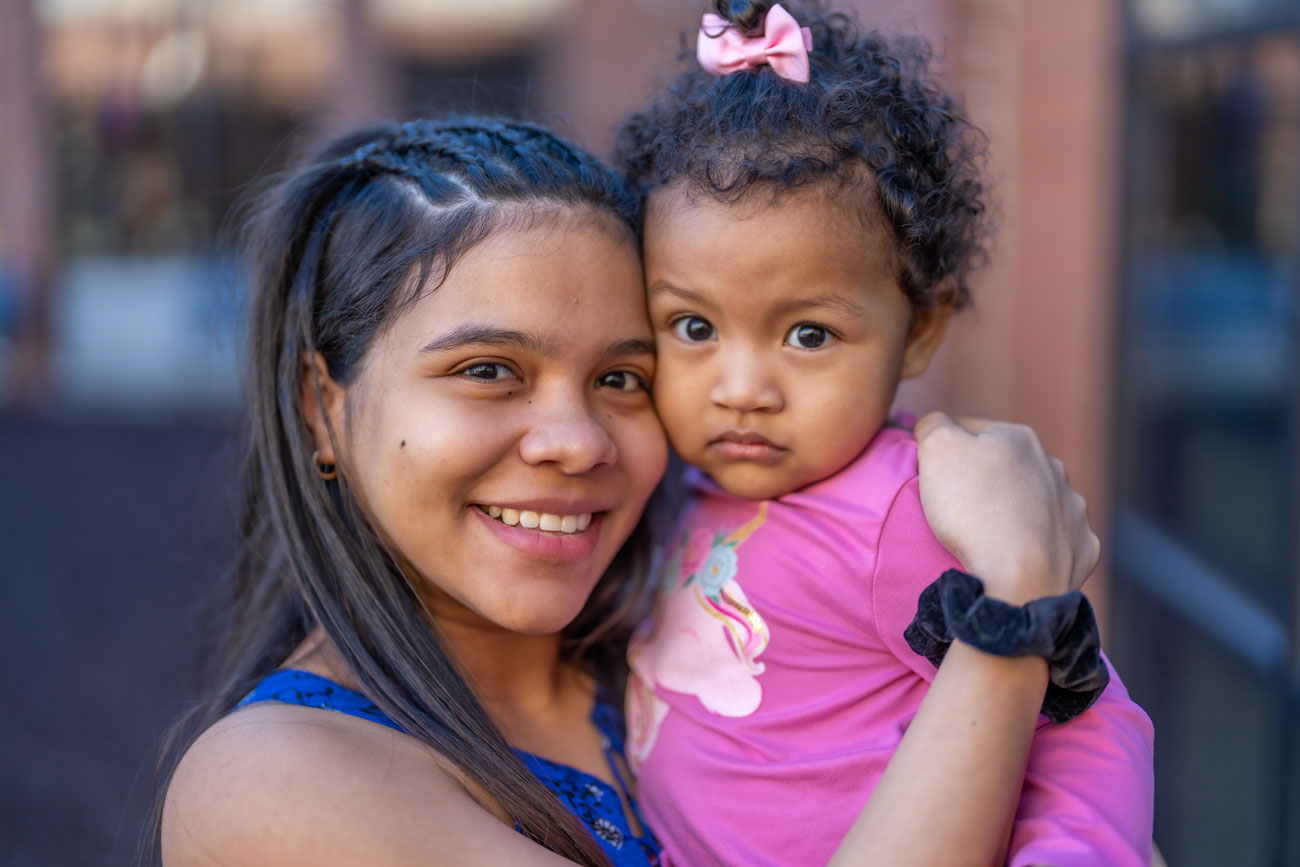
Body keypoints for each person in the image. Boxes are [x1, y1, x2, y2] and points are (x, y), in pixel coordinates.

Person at [155, 116, 1104, 867]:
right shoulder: (273, 781)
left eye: (623, 378)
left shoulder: (681, 632)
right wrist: (1013, 606)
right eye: (489, 370)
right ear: (324, 407)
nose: (575, 444)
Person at [613, 3, 1155, 866]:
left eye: (809, 335)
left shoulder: (906, 513)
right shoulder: (666, 484)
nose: (742, 389)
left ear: (922, 330)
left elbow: (1083, 713)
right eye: (692, 327)